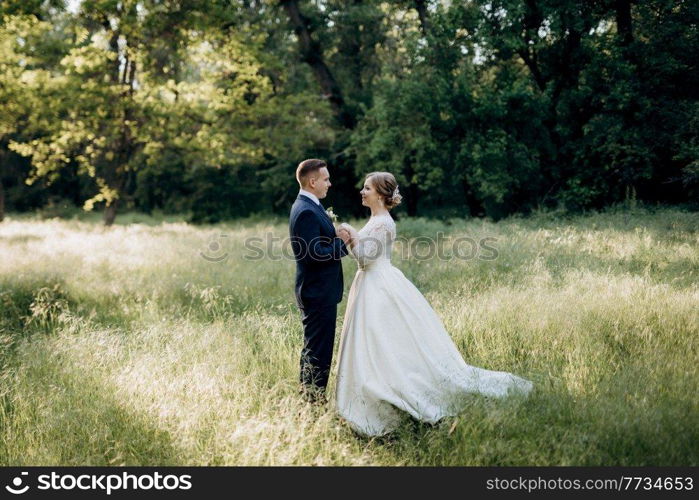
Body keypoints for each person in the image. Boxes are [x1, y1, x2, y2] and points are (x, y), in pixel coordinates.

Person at [334, 172, 534, 436]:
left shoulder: (384, 223)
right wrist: (353, 235)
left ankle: (398, 394)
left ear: (381, 195)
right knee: (375, 342)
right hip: (369, 285)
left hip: (379, 285)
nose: (362, 191)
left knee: (383, 339)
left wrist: (349, 234)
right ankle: (374, 390)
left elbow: (365, 258)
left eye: (367, 188)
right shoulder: (374, 219)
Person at [289, 159, 352, 403]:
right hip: (317, 292)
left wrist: (331, 236)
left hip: (319, 291)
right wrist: (341, 242)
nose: (330, 183)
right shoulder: (305, 210)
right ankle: (311, 404)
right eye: (325, 179)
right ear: (312, 181)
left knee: (315, 349)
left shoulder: (310, 205)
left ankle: (310, 401)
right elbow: (314, 256)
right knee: (318, 353)